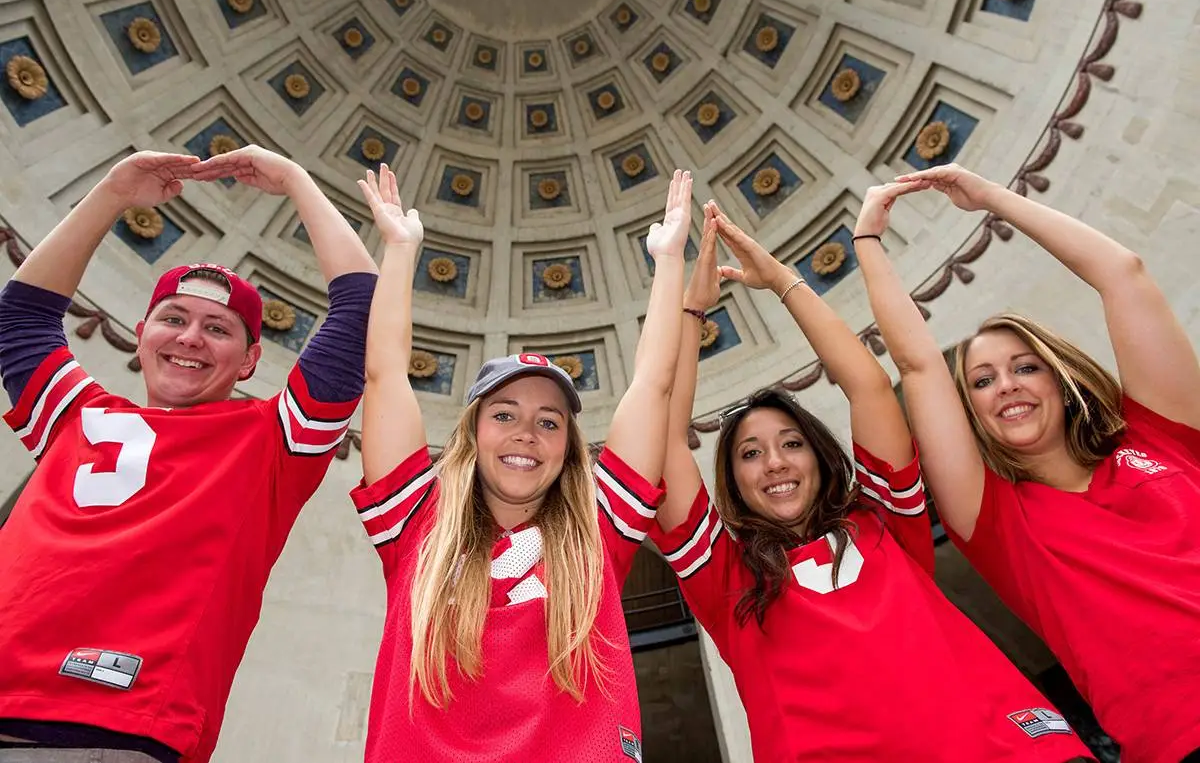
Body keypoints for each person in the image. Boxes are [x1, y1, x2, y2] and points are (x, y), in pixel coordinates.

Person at [649, 200, 1093, 761]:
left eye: (792, 444)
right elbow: (662, 439)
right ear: (733, 482)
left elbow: (870, 387)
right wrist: (691, 312)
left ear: (820, 457)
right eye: (751, 454)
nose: (777, 463)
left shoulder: (884, 521)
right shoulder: (725, 577)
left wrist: (784, 281)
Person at [0, 147, 378, 763]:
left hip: (115, 730)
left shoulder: (272, 441)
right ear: (144, 334)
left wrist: (298, 180)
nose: (189, 338)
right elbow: (22, 316)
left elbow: (360, 308)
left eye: (218, 328)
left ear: (250, 360)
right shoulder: (77, 415)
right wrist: (112, 194)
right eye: (172, 319)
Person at [856, 163, 1200, 763]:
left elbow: (1124, 275)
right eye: (982, 381)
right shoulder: (994, 521)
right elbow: (917, 368)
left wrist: (990, 197)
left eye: (1025, 366)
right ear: (972, 412)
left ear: (1061, 379)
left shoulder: (1160, 436)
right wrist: (867, 244)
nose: (1006, 386)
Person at [349, 165, 690, 762]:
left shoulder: (601, 528)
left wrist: (668, 262)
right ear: (473, 432)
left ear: (569, 446)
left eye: (549, 421)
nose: (527, 433)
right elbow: (383, 375)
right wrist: (400, 252)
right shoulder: (414, 522)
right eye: (504, 414)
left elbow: (653, 387)